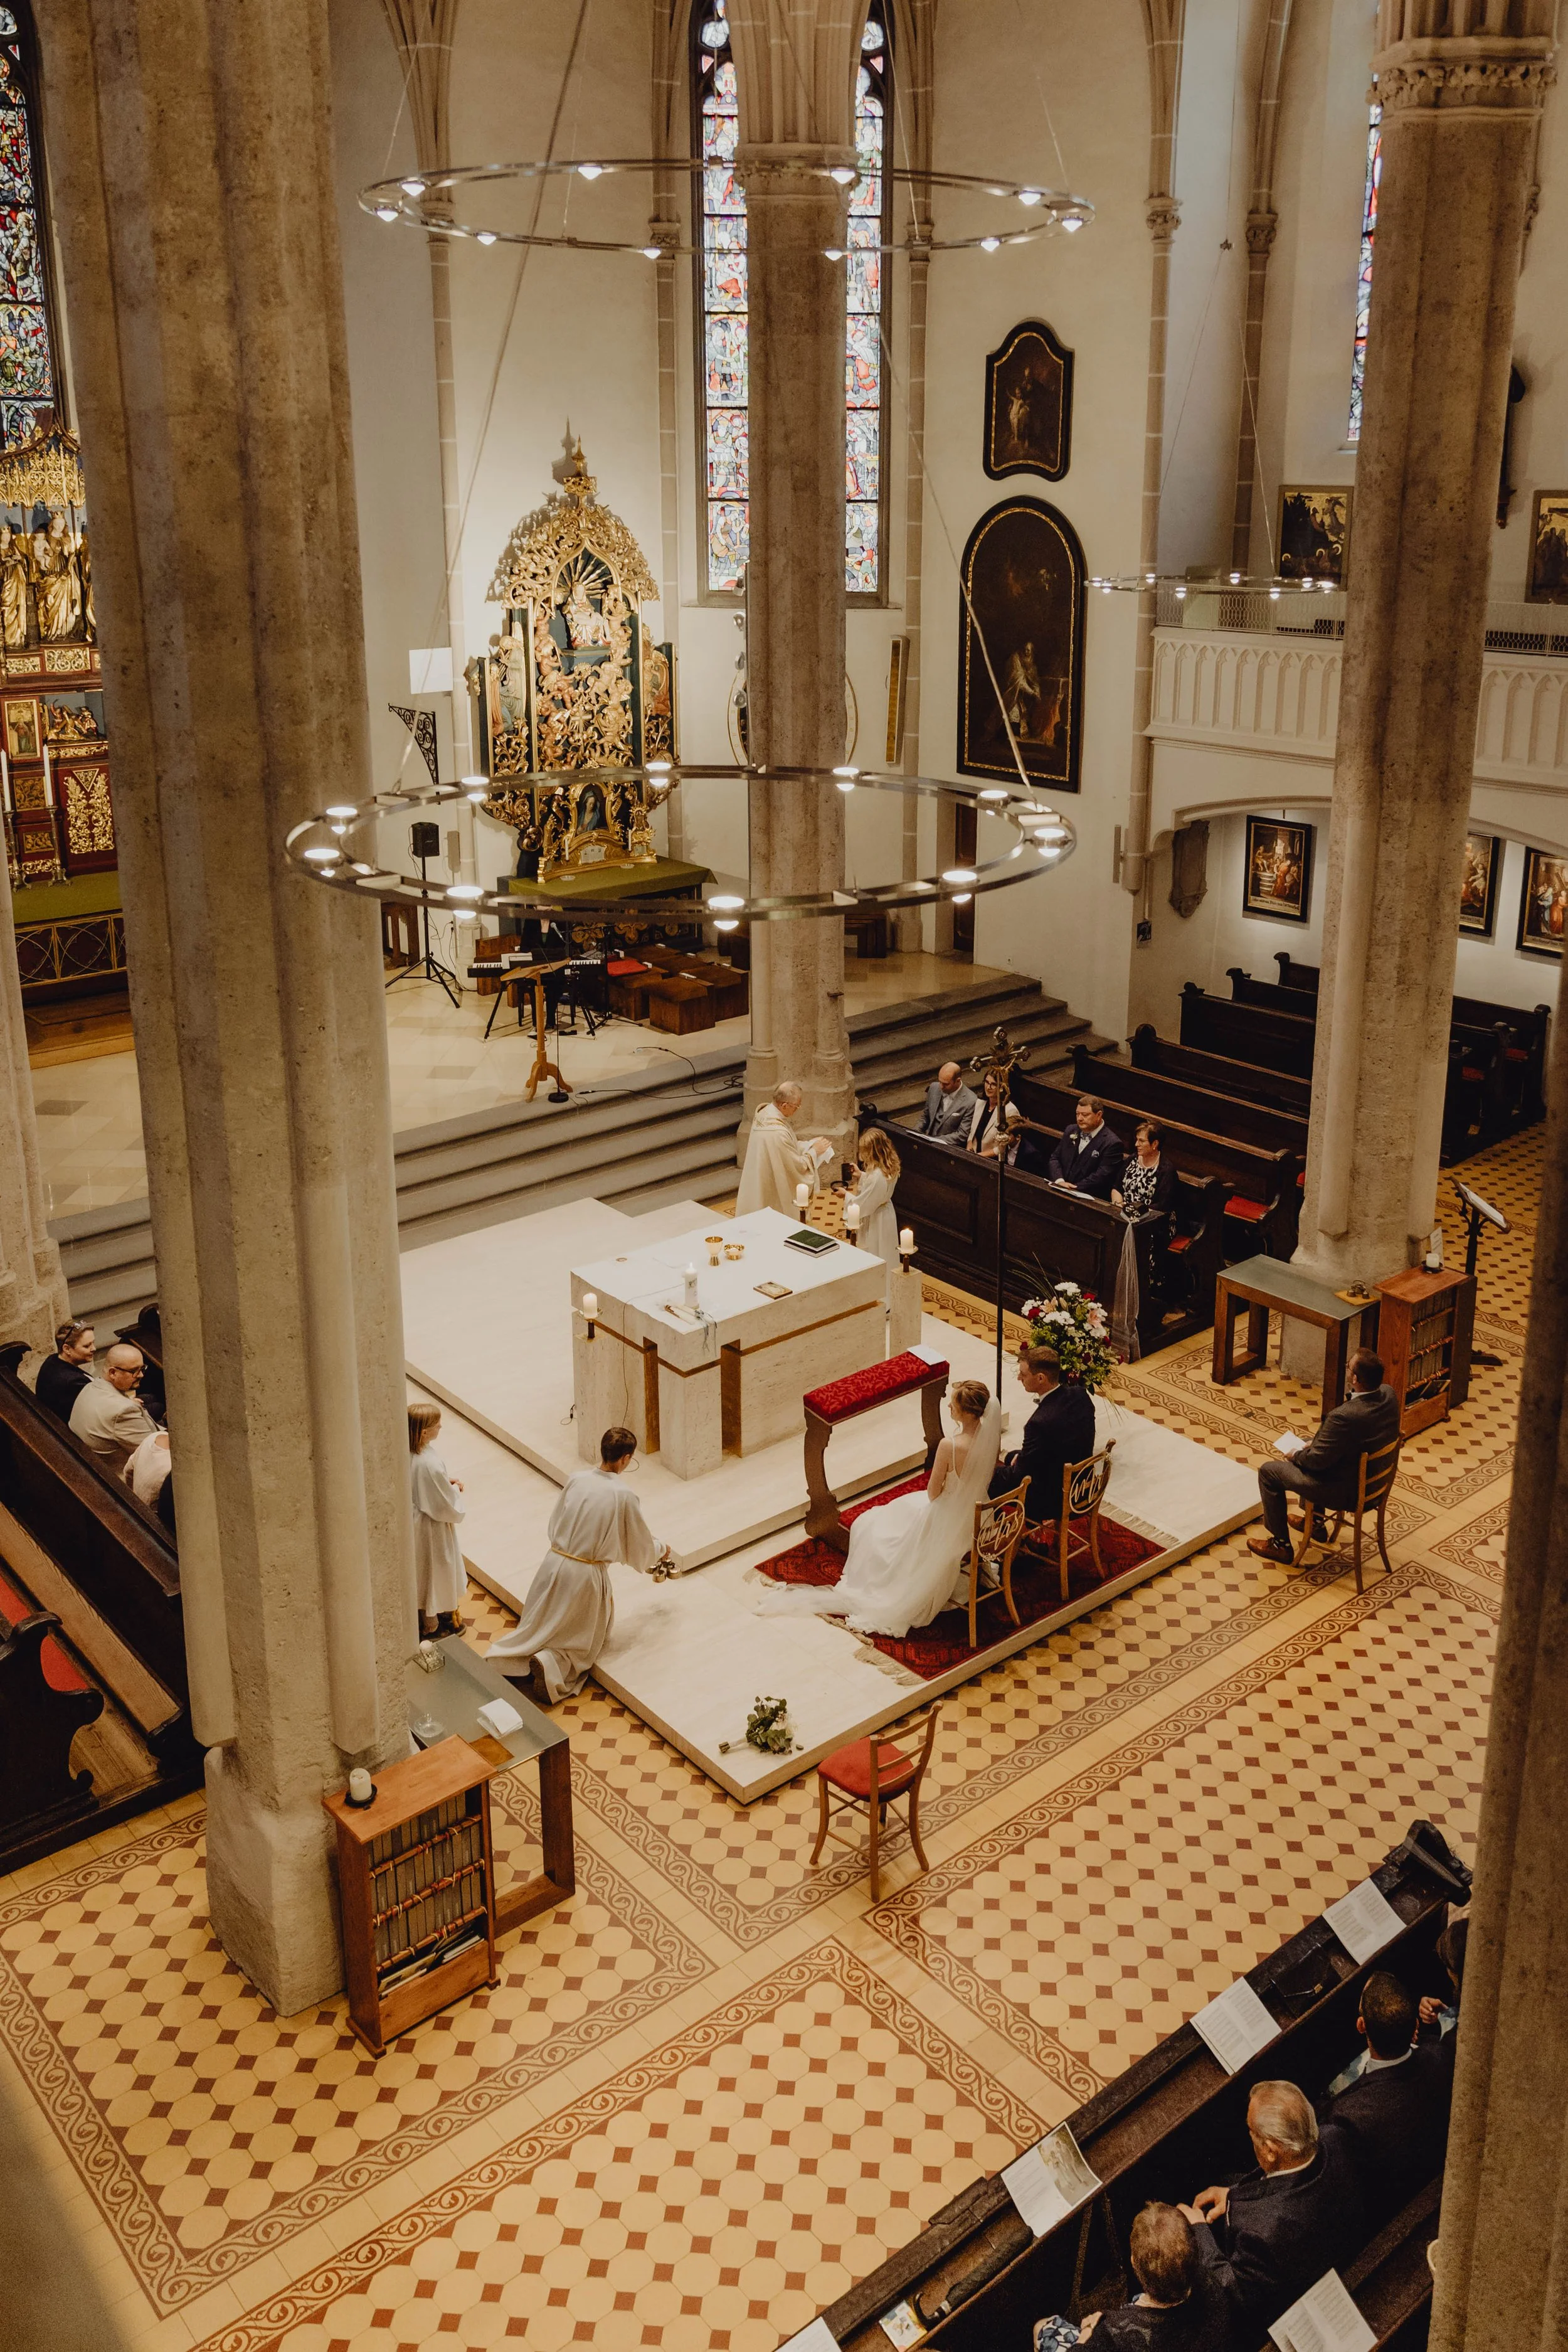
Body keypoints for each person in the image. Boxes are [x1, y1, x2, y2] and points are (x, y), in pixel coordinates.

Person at [760, 1381, 1000, 1637]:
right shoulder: (989, 1440)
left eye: (954, 1404)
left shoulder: (950, 1446)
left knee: (874, 1524)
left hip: (949, 1519)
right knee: (898, 1513)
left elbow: (933, 1493)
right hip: (979, 1520)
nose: (949, 1406)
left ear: (965, 1413)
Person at [489, 1425, 669, 1703]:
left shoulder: (577, 1479)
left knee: (540, 1625)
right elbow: (640, 1544)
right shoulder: (623, 1495)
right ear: (625, 1459)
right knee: (581, 1642)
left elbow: (555, 1521)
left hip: (553, 1563)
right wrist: (661, 1550)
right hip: (585, 1574)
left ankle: (516, 1659)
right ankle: (550, 1665)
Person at [1181, 2080, 1358, 2325]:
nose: (1250, 2136)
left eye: (1252, 2132)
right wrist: (1233, 2194)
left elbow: (1233, 2292)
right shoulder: (1336, 2138)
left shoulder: (1261, 2233)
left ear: (1271, 2151)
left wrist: (1198, 2230)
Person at [1317, 1971, 1451, 2220]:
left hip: (1386, 2207)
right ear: (1415, 2025)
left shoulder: (1348, 2115)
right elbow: (1431, 2048)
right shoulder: (1440, 2055)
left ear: (1361, 2026)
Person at [1248, 1348, 1402, 1563]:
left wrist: (1296, 1455)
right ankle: (1316, 1524)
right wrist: (1314, 1447)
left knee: (1269, 1472)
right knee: (1313, 1445)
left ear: (1355, 1378)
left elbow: (1316, 1462)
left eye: (1349, 1367)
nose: (1347, 1369)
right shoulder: (1389, 1394)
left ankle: (1280, 1546)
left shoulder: (1343, 1417)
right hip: (1374, 1483)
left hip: (1345, 1491)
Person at [1066, 2203, 1239, 2352]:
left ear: (1134, 2263)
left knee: (1043, 2326)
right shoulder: (1217, 2285)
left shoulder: (1113, 2334)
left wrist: (1086, 2335)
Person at [990, 1343, 1097, 1511]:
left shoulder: (1038, 1423)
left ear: (1041, 1378)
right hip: (1083, 1485)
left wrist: (993, 1473)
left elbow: (1019, 1476)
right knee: (1012, 1455)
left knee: (988, 1479)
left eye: (1023, 1374)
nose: (1019, 1378)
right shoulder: (1080, 1396)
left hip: (1054, 1498)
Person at [408, 1402, 467, 1637]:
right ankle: (431, 1625)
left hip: (416, 1520)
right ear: (424, 1432)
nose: (441, 1427)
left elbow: (428, 1485)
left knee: (421, 1571)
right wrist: (454, 1492)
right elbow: (442, 1504)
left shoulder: (412, 1451)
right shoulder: (428, 1463)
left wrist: (445, 1482)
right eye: (437, 1425)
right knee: (434, 1571)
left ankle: (427, 1615)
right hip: (431, 1525)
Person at [736, 1080, 833, 1216]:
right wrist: (814, 1152)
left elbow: (787, 1148)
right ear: (785, 1105)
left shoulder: (765, 1114)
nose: (797, 1110)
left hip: (760, 1178)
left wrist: (808, 1145)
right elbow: (797, 1166)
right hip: (772, 1187)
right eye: (796, 1107)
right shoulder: (777, 1133)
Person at [68, 1344, 158, 1475]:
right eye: (135, 1371)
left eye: (142, 1369)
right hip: (123, 1479)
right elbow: (155, 1454)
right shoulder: (124, 1412)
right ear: (113, 1373)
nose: (141, 1375)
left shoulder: (90, 1387)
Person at [848, 1128, 901, 1293]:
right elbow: (876, 1189)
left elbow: (865, 1203)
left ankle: (878, 1296)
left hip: (876, 1218)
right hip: (885, 1214)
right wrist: (861, 1176)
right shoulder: (887, 1167)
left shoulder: (878, 1175)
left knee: (877, 1253)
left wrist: (845, 1196)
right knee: (886, 1254)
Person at [1046, 1095, 1126, 1199]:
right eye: (1077, 1114)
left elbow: (1102, 1176)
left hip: (1087, 1198)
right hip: (1060, 1188)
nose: (1080, 1118)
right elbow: (1055, 1158)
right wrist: (1060, 1181)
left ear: (1099, 1115)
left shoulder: (1112, 1143)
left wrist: (1072, 1188)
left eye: (1085, 1115)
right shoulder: (1071, 1130)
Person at [1112, 1120, 1179, 1221]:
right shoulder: (1132, 1159)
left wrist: (1134, 1213)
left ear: (1155, 1144)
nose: (1136, 1144)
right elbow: (1117, 1187)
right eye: (1137, 1140)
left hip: (1152, 1220)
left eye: (1142, 1141)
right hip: (1124, 1214)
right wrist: (1118, 1206)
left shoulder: (1166, 1170)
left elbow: (1163, 1205)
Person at [36, 1319, 96, 1423]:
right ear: (67, 1349)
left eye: (93, 1343)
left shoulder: (53, 1360)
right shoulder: (73, 1382)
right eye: (87, 1346)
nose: (94, 1349)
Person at [965, 1068, 1023, 1161]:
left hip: (994, 1160)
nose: (988, 1087)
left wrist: (980, 1156)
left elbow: (1005, 1145)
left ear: (1002, 1088)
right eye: (987, 1082)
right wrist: (969, 1148)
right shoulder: (980, 1103)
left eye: (993, 1085)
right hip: (975, 1156)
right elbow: (972, 1133)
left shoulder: (1010, 1110)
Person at [918, 1061, 978, 1144]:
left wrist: (934, 1141)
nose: (941, 1087)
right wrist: (915, 1134)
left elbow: (962, 1134)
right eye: (940, 1081)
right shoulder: (934, 1088)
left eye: (946, 1084)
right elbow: (925, 1117)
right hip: (927, 1141)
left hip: (949, 1149)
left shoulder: (971, 1101)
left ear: (958, 1081)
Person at [123, 1425, 172, 1510]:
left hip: (136, 1506)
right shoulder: (171, 1469)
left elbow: (128, 1472)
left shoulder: (154, 1437)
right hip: (152, 1518)